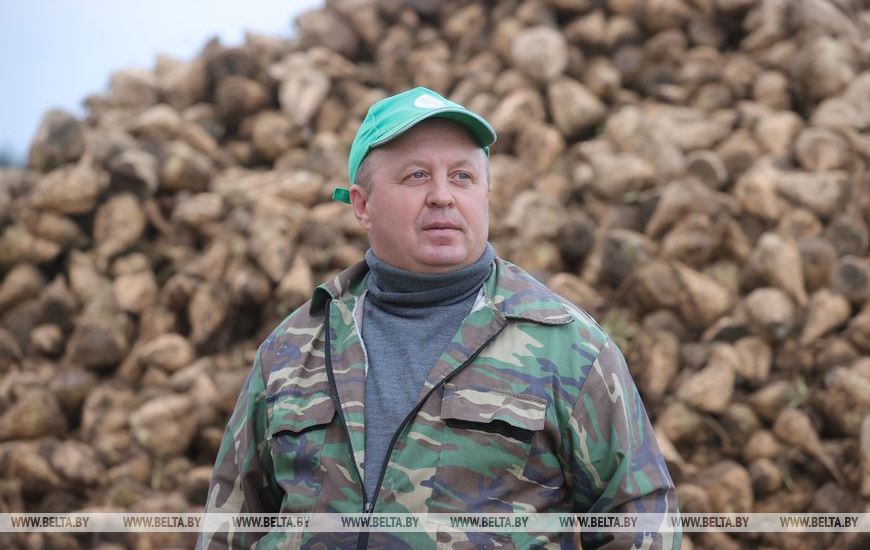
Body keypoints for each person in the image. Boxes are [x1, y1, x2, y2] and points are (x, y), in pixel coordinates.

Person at [199, 87, 681, 549]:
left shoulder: (568, 347)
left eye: (463, 176)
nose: (443, 196)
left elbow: (641, 521)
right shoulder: (293, 348)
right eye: (416, 176)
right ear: (362, 204)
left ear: (487, 193)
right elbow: (229, 524)